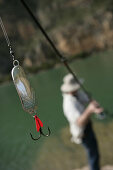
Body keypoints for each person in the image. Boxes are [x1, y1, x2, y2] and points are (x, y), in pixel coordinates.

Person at [61, 74, 103, 170]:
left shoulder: (77, 93)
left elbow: (87, 99)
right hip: (82, 133)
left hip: (88, 127)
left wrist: (94, 107)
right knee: (93, 155)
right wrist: (89, 110)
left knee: (95, 152)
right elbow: (79, 122)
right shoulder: (68, 104)